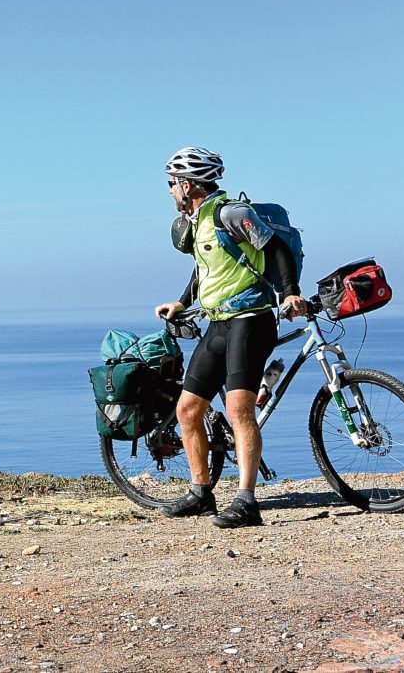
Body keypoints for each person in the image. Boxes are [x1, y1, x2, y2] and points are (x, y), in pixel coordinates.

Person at [154, 147, 307, 528]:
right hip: (218, 323)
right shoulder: (199, 221)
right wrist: (183, 301)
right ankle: (201, 493)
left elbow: (275, 248)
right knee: (188, 410)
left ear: (187, 185)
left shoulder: (230, 214)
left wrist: (290, 292)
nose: (170, 190)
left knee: (240, 410)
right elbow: (207, 268)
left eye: (172, 184)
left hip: (250, 321)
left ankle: (246, 501)